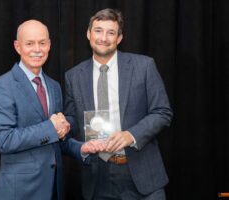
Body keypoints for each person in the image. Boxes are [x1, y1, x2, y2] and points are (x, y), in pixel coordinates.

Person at [64, 8, 173, 200]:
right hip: (98, 178)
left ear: (119, 38)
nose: (103, 37)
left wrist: (131, 135)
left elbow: (162, 112)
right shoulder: (73, 76)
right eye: (98, 30)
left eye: (111, 32)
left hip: (142, 175)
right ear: (88, 34)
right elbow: (73, 119)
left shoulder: (144, 66)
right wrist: (62, 123)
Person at [0, 20, 102, 200]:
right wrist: (51, 127)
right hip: (19, 192)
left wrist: (82, 148)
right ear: (18, 47)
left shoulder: (54, 86)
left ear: (49, 45)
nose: (37, 49)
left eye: (42, 43)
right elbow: (5, 140)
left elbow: (56, 139)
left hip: (54, 189)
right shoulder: (2, 86)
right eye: (29, 43)